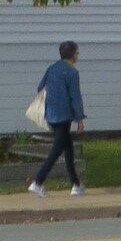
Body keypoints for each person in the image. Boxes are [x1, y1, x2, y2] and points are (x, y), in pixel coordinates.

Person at [27, 39, 87, 195]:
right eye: (77, 52)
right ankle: (38, 182)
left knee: (68, 148)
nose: (78, 55)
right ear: (72, 55)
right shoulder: (72, 72)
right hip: (64, 116)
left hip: (51, 114)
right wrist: (80, 119)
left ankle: (76, 184)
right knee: (57, 149)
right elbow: (75, 97)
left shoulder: (52, 68)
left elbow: (40, 87)